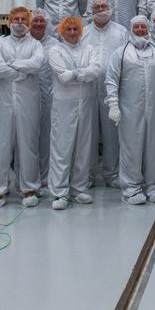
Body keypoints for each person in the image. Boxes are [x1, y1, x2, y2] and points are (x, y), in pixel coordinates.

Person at [0, 6, 46, 209]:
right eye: (15, 19)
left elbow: (36, 64)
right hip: (3, 102)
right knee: (1, 145)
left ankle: (29, 188)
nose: (19, 23)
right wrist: (21, 71)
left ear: (28, 23)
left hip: (28, 102)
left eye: (23, 19)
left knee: (28, 144)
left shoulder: (36, 45)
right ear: (8, 22)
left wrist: (12, 65)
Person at [105, 15, 155, 205]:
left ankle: (154, 185)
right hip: (129, 110)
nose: (140, 30)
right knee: (131, 149)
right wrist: (113, 105)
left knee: (154, 148)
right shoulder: (121, 53)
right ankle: (131, 188)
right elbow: (111, 80)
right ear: (131, 29)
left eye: (143, 26)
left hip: (154, 109)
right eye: (137, 27)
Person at [47, 16, 102, 209]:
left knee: (83, 147)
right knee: (62, 148)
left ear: (81, 31)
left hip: (85, 104)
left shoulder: (89, 49)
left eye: (75, 29)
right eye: (68, 29)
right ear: (61, 31)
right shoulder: (55, 50)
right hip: (63, 105)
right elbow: (63, 76)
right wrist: (82, 74)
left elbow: (95, 70)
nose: (72, 33)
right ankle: (60, 192)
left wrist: (75, 74)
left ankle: (79, 188)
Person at [81, 0, 127, 187]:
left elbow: (127, 58)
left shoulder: (121, 32)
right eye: (97, 7)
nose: (101, 10)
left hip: (113, 90)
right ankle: (88, 174)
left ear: (110, 8)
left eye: (104, 6)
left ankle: (112, 173)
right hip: (87, 89)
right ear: (91, 11)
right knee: (88, 133)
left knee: (111, 134)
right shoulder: (84, 32)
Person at [30, 8, 57, 187]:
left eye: (42, 21)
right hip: (26, 99)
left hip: (51, 99)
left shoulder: (55, 45)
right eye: (35, 21)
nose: (39, 24)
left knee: (48, 138)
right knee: (27, 139)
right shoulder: (23, 43)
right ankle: (28, 177)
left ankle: (47, 177)